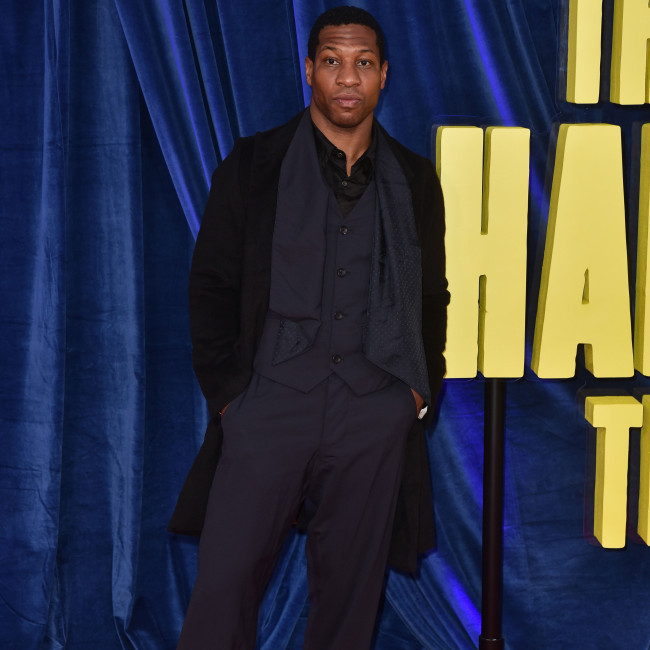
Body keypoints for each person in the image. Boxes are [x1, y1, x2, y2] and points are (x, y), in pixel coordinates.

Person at [170, 6, 448, 648]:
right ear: (309, 71)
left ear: (383, 75)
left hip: (373, 405)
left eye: (363, 63)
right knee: (224, 585)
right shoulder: (253, 165)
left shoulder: (414, 178)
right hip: (269, 402)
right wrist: (231, 397)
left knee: (352, 595)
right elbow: (210, 284)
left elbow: (431, 295)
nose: (347, 78)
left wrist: (415, 393)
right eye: (332, 61)